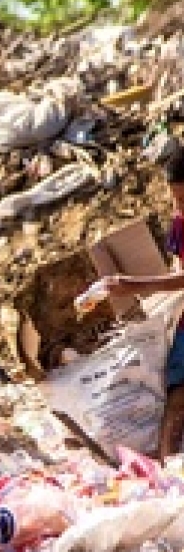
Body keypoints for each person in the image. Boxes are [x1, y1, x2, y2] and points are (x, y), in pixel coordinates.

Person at [95, 143, 184, 460]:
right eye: (175, 200)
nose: (180, 207)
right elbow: (178, 269)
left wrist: (136, 284)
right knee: (174, 391)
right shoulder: (179, 223)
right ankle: (166, 471)